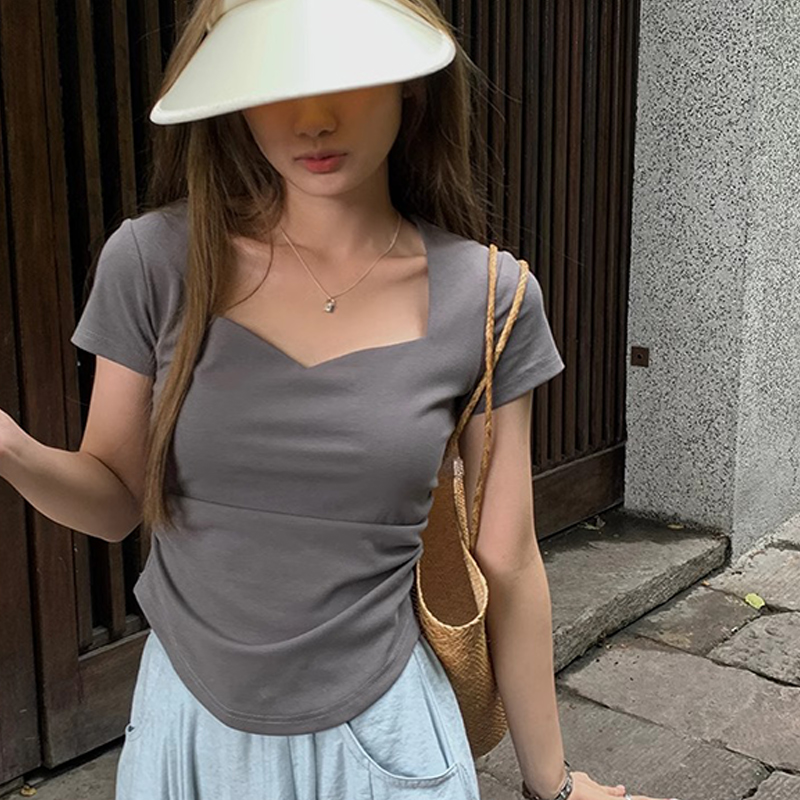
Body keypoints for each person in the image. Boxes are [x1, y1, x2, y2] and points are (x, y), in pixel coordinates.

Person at [0, 1, 680, 799]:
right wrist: (10, 448)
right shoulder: (154, 262)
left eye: (346, 75)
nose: (313, 118)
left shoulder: (490, 298)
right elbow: (115, 503)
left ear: (408, 81)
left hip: (389, 738)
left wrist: (553, 784)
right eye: (275, 78)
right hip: (188, 733)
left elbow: (509, 557)